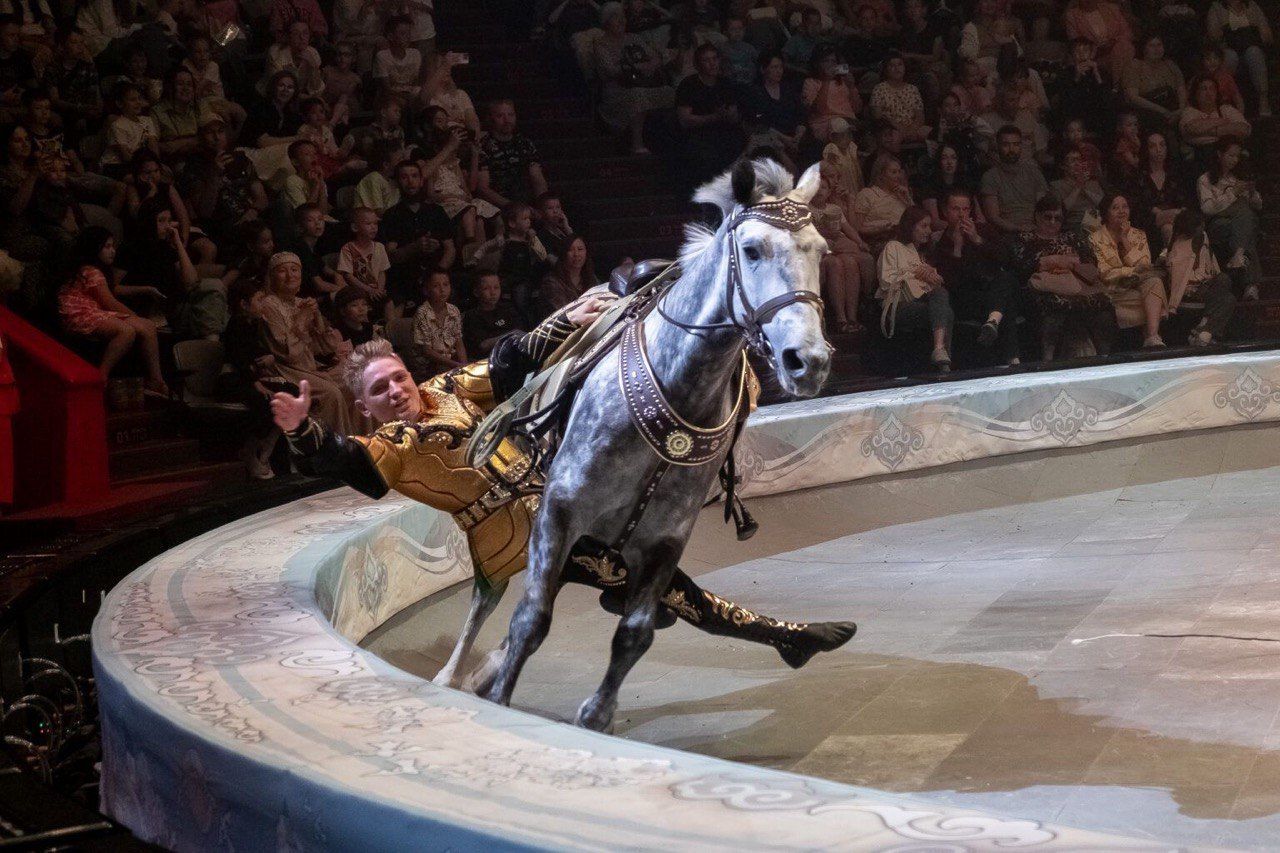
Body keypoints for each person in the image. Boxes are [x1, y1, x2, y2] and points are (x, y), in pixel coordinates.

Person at [271, 330, 855, 670]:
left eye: (397, 377)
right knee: (663, 580)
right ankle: (782, 637)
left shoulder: (444, 388)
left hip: (562, 503)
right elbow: (349, 465)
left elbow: (512, 360)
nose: (396, 392)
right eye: (380, 390)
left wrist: (586, 311)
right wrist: (303, 432)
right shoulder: (389, 444)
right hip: (519, 539)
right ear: (365, 407)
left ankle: (644, 603)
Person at [59, 227, 167, 393]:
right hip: (79, 314)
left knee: (148, 326)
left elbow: (112, 289)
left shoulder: (97, 271)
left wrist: (146, 289)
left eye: (113, 246)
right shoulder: (90, 271)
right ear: (95, 248)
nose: (113, 251)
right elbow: (109, 302)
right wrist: (135, 316)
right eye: (107, 247)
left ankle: (156, 379)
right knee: (126, 331)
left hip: (93, 311)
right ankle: (101, 377)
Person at [1012, 195, 1117, 361]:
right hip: (1043, 290)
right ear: (1037, 216)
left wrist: (1062, 264)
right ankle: (1048, 360)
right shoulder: (1025, 239)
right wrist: (1060, 261)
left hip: (1077, 286)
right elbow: (1022, 266)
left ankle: (1105, 358)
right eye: (1048, 217)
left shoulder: (1073, 238)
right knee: (1054, 303)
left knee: (1103, 304)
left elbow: (1090, 264)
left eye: (1058, 218)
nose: (1053, 222)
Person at [258, 251, 353, 432]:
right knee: (331, 394)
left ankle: (360, 443)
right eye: (282, 271)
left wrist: (317, 317)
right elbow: (286, 353)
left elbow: (325, 348)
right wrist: (302, 319)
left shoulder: (301, 302)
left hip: (309, 365)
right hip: (286, 369)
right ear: (272, 277)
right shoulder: (269, 305)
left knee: (356, 381)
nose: (290, 275)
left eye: (294, 270)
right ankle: (328, 449)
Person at [931, 189, 1020, 364]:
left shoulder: (983, 230)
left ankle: (993, 323)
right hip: (966, 298)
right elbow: (950, 283)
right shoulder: (942, 243)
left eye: (965, 209)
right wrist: (957, 248)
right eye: (956, 209)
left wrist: (977, 239)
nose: (961, 214)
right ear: (945, 212)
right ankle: (1012, 357)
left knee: (1006, 280)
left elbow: (1007, 259)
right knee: (1004, 304)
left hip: (992, 290)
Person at [876, 206, 953, 370]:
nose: (929, 231)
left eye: (929, 226)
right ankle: (942, 361)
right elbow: (885, 281)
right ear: (910, 226)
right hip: (898, 305)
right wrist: (916, 273)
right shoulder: (893, 247)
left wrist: (933, 279)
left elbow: (928, 289)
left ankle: (939, 351)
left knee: (942, 299)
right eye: (924, 226)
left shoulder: (921, 254)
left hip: (921, 301)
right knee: (945, 312)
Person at [594, 1, 675, 155]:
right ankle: (636, 143)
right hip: (617, 90)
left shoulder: (634, 38)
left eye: (622, 17)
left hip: (643, 82)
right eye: (615, 17)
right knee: (638, 96)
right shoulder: (600, 44)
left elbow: (655, 57)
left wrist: (650, 65)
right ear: (606, 22)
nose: (621, 21)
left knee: (669, 92)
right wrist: (637, 66)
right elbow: (610, 70)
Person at [1090, 192, 1169, 348]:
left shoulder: (1139, 235)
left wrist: (1125, 239)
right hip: (1113, 292)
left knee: (1154, 282)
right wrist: (1130, 271)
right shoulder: (1095, 238)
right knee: (1154, 301)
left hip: (1139, 287)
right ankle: (1149, 330)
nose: (1121, 211)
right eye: (1115, 207)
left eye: (1125, 206)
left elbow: (1145, 266)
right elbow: (1104, 272)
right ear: (1106, 212)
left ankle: (1152, 337)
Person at [380, 160, 456, 315]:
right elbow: (390, 256)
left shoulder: (436, 212)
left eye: (414, 176)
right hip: (405, 279)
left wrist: (438, 274)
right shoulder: (391, 216)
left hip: (437, 275)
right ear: (398, 182)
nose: (410, 182)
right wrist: (414, 247)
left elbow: (450, 249)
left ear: (421, 181)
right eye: (404, 177)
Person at [1198, 139, 1262, 300]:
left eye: (1237, 156)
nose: (1235, 159)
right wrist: (1232, 193)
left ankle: (1243, 269)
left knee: (1246, 222)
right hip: (1217, 225)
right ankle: (1250, 283)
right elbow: (1207, 209)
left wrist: (1253, 193)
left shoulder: (1238, 177)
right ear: (1220, 154)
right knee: (1244, 215)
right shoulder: (1205, 179)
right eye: (1231, 155)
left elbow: (1258, 206)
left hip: (1238, 225)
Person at [674, 44, 746, 187]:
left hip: (725, 132)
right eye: (706, 60)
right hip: (698, 134)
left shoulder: (725, 84)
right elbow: (684, 119)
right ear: (698, 64)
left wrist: (728, 115)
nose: (712, 64)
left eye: (714, 59)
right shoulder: (689, 85)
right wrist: (713, 117)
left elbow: (734, 113)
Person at [1166, 209, 1236, 347]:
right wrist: (1195, 286)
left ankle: (1204, 326)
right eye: (1200, 225)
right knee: (1229, 299)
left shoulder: (1203, 237)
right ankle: (1207, 332)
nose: (1203, 226)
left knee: (1224, 280)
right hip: (1190, 293)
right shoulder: (1178, 248)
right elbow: (1178, 282)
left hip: (1206, 286)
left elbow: (1210, 267)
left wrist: (1208, 280)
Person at [1205, 0, 1272, 117]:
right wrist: (1227, 31)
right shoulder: (1217, 8)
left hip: (1250, 47)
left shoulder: (1252, 6)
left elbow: (1267, 35)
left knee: (1254, 53)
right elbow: (1213, 36)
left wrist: (1255, 31)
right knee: (1230, 56)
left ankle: (1263, 100)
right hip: (1228, 48)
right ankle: (1224, 99)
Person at [476, 99, 547, 208]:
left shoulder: (525, 144)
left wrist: (544, 207)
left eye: (510, 115)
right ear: (491, 119)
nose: (507, 120)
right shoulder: (483, 146)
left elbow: (537, 179)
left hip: (526, 201)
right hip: (498, 204)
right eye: (500, 116)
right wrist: (514, 207)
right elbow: (483, 189)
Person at [1128, 130, 1188, 254]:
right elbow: (1140, 205)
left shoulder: (1174, 173)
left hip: (1172, 221)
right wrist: (1163, 212)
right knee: (1182, 220)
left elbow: (1183, 200)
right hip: (1147, 219)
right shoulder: (1138, 175)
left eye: (1162, 145)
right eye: (1152, 146)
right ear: (1146, 149)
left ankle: (1177, 263)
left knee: (1168, 228)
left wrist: (1175, 212)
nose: (1158, 149)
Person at [980, 125, 1047, 233]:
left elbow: (1043, 206)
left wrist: (1038, 227)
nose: (1011, 149)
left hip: (1036, 228)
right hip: (1006, 233)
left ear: (1021, 146)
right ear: (998, 146)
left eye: (1016, 144)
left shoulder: (1034, 172)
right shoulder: (990, 176)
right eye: (1006, 145)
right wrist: (1018, 229)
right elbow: (993, 217)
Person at [1179, 76, 1250, 168]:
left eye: (1212, 89)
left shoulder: (1226, 109)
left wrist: (1210, 130)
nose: (1208, 93)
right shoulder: (1189, 111)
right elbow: (1191, 128)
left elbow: (1244, 129)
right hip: (1202, 155)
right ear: (1196, 93)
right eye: (1203, 89)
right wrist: (1221, 121)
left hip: (1228, 153)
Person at [1122, 33, 1185, 132]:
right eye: (1152, 45)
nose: (1157, 49)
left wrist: (1180, 111)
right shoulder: (1135, 66)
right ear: (1144, 48)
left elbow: (1181, 89)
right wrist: (1163, 111)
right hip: (1148, 111)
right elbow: (1133, 97)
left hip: (1173, 109)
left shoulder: (1170, 65)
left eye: (1159, 45)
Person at [410, 269, 466, 379]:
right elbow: (427, 351)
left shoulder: (453, 310)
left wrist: (464, 365)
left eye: (446, 285)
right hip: (428, 366)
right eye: (436, 286)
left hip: (451, 361)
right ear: (426, 290)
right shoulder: (422, 313)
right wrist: (456, 365)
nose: (442, 290)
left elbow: (458, 341)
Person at [337, 206, 391, 316]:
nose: (373, 227)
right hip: (357, 291)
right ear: (355, 227)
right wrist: (368, 290)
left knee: (390, 301)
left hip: (375, 290)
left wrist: (379, 290)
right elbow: (348, 276)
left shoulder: (379, 247)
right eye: (368, 224)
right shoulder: (348, 248)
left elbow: (381, 272)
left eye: (375, 224)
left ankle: (390, 328)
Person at [854, 153, 913, 251]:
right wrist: (880, 228)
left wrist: (908, 199)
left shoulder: (902, 194)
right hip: (880, 240)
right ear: (881, 174)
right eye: (894, 172)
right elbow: (858, 227)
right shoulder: (867, 194)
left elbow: (916, 219)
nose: (898, 176)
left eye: (899, 172)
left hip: (905, 237)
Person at [801, 46, 860, 144]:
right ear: (817, 64)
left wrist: (852, 87)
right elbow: (818, 110)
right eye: (826, 61)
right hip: (825, 124)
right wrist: (826, 81)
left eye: (833, 61)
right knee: (839, 124)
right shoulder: (811, 82)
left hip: (849, 122)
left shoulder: (844, 81)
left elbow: (857, 109)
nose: (830, 65)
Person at [1062, 0, 1134, 78]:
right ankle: (1119, 85)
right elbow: (1076, 43)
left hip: (1118, 48)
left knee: (1123, 48)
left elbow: (1127, 32)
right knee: (1125, 54)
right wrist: (1098, 49)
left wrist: (1114, 41)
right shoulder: (1072, 15)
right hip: (1095, 56)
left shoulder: (1111, 8)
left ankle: (1117, 86)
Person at [869, 54, 929, 144]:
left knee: (930, 132)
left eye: (900, 65)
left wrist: (910, 131)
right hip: (892, 128)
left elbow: (920, 117)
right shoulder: (879, 89)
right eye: (892, 65)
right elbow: (878, 115)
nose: (896, 68)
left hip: (913, 128)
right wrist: (899, 128)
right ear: (886, 69)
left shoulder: (913, 89)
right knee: (893, 136)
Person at [463, 271, 522, 357]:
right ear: (476, 292)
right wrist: (511, 335)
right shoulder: (473, 316)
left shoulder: (508, 309)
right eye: (486, 288)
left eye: (496, 287)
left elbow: (521, 333)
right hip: (489, 359)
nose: (493, 293)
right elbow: (483, 345)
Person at [1049, 147, 1104, 235]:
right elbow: (1061, 210)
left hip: (1095, 222)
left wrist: (1084, 187)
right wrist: (1078, 186)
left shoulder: (1093, 183)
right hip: (1072, 224)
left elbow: (1103, 204)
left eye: (1079, 160)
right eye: (1073, 160)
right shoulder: (1056, 186)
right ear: (1063, 165)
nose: (1077, 164)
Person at [539, 233, 595, 317]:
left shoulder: (591, 277)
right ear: (563, 254)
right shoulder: (551, 282)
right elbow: (564, 313)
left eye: (580, 249)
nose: (576, 254)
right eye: (570, 250)